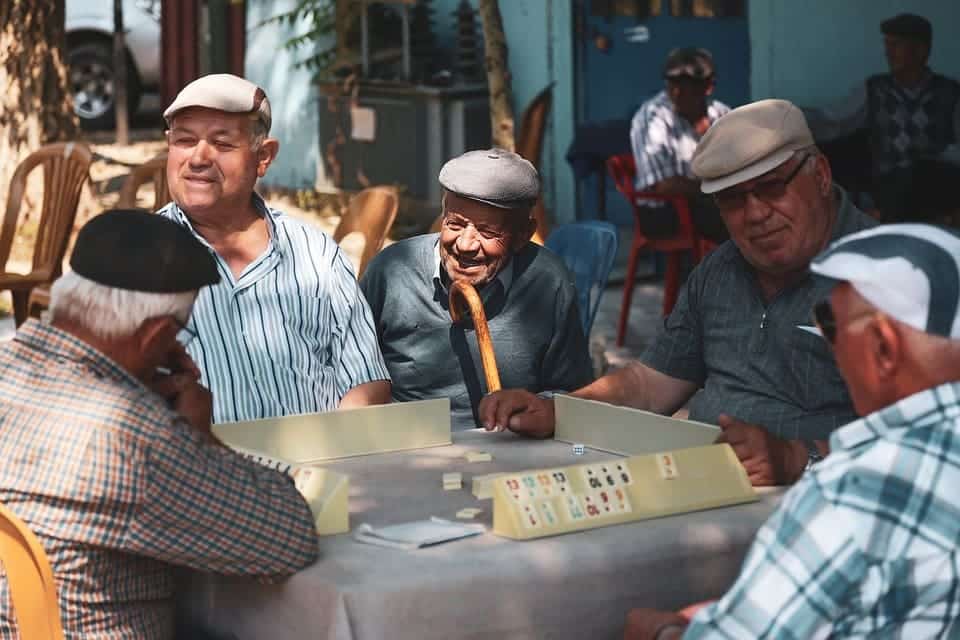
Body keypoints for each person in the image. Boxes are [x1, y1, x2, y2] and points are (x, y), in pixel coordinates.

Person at [480, 99, 877, 486]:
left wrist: (799, 460)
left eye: (772, 188)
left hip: (828, 505)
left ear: (821, 175)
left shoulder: (886, 276)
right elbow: (648, 386)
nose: (756, 213)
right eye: (733, 199)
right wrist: (559, 411)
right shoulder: (721, 270)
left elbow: (927, 435)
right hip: (703, 490)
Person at [624, 223, 960, 639]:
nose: (831, 349)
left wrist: (663, 634)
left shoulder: (852, 492)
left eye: (830, 326)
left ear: (884, 348)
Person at [0, 210, 319, 639]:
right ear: (155, 337)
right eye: (177, 335)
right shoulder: (132, 436)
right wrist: (199, 440)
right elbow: (286, 537)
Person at [158, 73, 391, 423]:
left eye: (222, 144)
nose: (199, 158)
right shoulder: (141, 259)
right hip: (198, 467)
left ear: (263, 157)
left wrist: (334, 455)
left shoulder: (315, 253)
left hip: (316, 464)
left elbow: (367, 379)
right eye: (185, 141)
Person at [360, 149, 593, 430]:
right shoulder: (392, 271)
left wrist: (532, 408)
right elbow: (350, 373)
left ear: (524, 234)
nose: (466, 245)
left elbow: (571, 395)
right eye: (455, 224)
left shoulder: (548, 281)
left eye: (488, 232)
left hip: (509, 447)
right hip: (406, 446)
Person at [804, 13, 960, 222]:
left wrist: (933, 158)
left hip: (935, 189)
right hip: (887, 191)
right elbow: (832, 121)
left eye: (896, 45)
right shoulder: (875, 90)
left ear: (921, 50)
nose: (888, 53)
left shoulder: (949, 93)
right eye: (887, 45)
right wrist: (788, 119)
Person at [629, 47, 730, 243]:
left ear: (708, 87)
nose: (675, 93)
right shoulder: (652, 118)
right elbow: (665, 185)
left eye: (685, 87)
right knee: (735, 220)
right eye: (671, 85)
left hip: (705, 200)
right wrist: (719, 191)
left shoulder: (721, 114)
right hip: (662, 210)